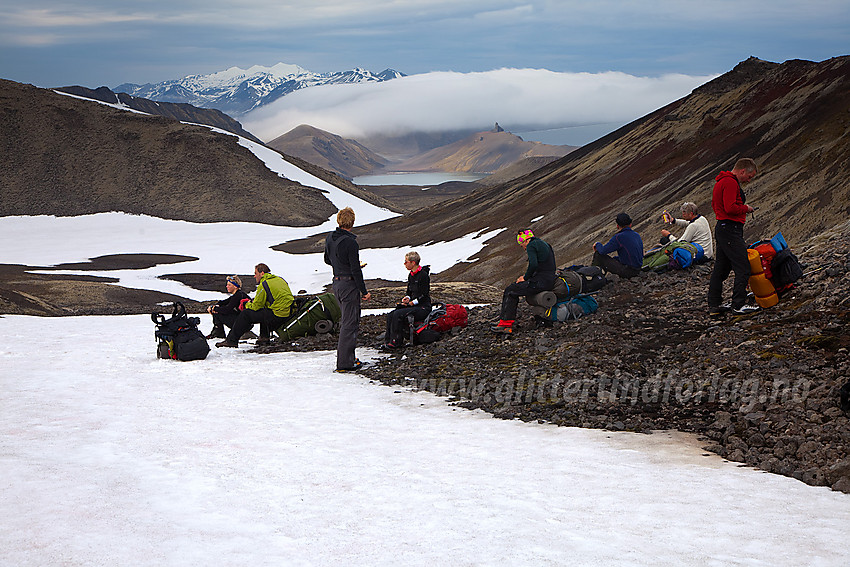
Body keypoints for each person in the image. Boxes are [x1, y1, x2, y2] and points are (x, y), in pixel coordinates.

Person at [708, 158, 760, 316]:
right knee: (743, 266)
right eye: (749, 177)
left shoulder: (721, 182)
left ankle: (714, 305)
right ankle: (738, 305)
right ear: (743, 171)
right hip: (730, 229)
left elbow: (718, 205)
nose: (748, 180)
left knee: (721, 268)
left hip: (723, 228)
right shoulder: (730, 182)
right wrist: (746, 208)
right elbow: (730, 208)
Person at [324, 207, 371, 371]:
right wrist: (364, 291)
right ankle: (345, 363)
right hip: (348, 284)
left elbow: (326, 259)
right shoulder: (351, 242)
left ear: (338, 220)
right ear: (352, 222)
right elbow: (355, 270)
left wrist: (339, 265)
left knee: (346, 321)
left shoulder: (330, 238)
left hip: (336, 283)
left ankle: (348, 358)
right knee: (350, 323)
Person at [491, 229, 556, 334]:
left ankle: (505, 325)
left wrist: (525, 278)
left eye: (522, 245)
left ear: (525, 240)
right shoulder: (544, 244)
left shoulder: (531, 245)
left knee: (510, 291)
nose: (524, 248)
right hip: (548, 280)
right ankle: (503, 321)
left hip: (540, 282)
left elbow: (533, 264)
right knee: (514, 289)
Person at [215, 263, 294, 348]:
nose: (254, 276)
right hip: (288, 312)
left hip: (278, 315)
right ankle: (264, 338)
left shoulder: (264, 284)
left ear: (262, 273)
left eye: (255, 273)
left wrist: (246, 304)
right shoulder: (279, 279)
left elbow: (256, 306)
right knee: (264, 312)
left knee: (246, 314)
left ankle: (231, 341)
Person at [384, 251, 431, 349]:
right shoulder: (411, 275)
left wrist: (412, 302)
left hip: (423, 307)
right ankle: (388, 341)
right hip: (414, 305)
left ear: (413, 263)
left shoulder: (423, 275)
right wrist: (407, 298)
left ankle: (396, 342)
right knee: (391, 314)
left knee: (398, 314)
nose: (404, 264)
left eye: (406, 262)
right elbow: (409, 291)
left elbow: (424, 294)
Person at [591, 213, 644, 278]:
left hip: (628, 271)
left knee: (598, 255)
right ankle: (598, 276)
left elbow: (603, 251)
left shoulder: (619, 237)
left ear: (617, 226)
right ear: (630, 224)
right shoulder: (636, 235)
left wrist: (597, 244)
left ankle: (593, 277)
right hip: (638, 269)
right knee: (614, 259)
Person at [205, 275, 249, 339]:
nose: (227, 286)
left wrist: (214, 309)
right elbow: (223, 302)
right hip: (244, 322)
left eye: (229, 285)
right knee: (219, 309)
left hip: (243, 324)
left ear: (235, 286)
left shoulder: (238, 295)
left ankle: (218, 332)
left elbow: (227, 309)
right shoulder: (238, 294)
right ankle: (217, 331)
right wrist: (215, 306)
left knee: (219, 312)